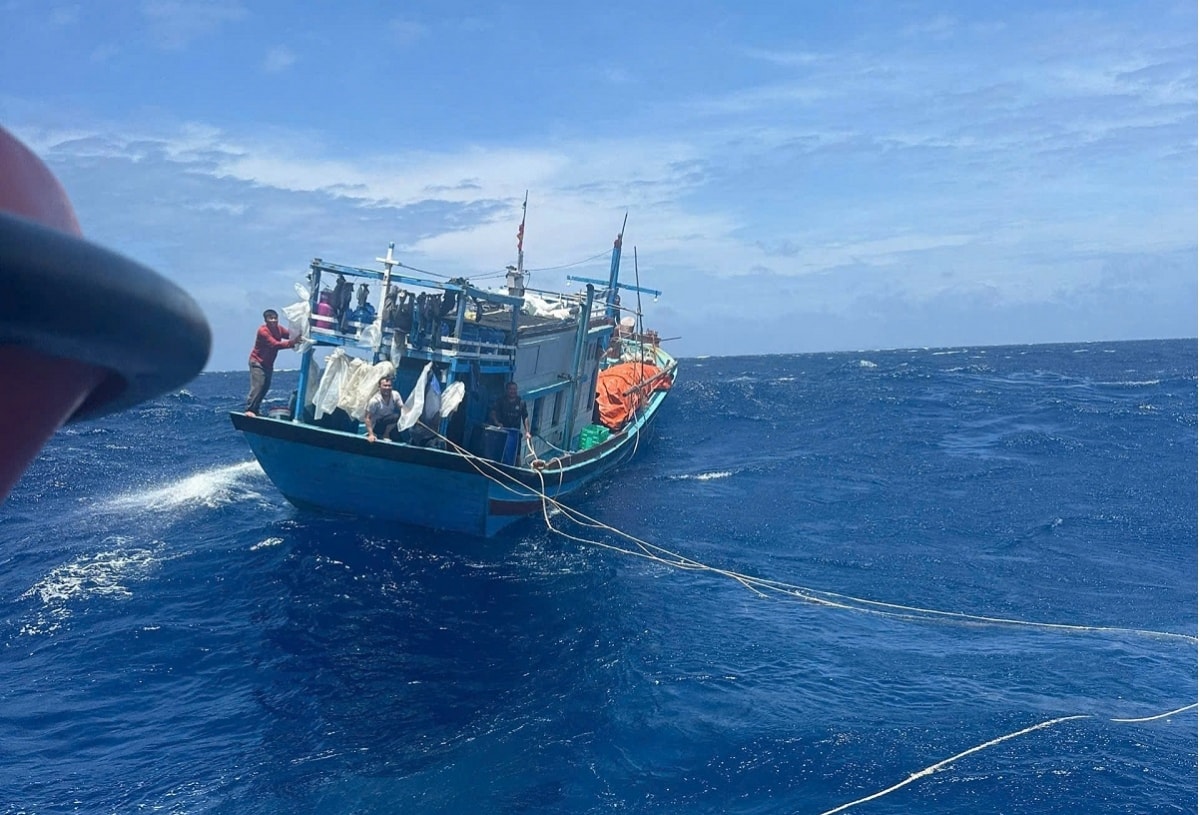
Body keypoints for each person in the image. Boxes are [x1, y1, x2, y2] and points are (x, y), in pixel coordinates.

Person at [245, 309, 295, 416]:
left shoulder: (279, 329)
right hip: (257, 362)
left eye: (275, 318)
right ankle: (250, 409)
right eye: (270, 318)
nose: (273, 320)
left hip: (268, 364)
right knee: (259, 385)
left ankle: (256, 409)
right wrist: (292, 343)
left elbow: (289, 335)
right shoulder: (263, 331)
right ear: (266, 320)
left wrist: (299, 334)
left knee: (265, 387)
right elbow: (275, 344)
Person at [489, 381, 529, 464]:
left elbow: (525, 417)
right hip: (502, 432)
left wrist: (527, 432)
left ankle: (517, 471)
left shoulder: (521, 403)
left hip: (515, 434)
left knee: (517, 455)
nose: (512, 391)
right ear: (506, 390)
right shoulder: (501, 401)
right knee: (500, 453)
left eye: (514, 389)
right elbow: (493, 412)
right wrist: (497, 423)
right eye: (510, 389)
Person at [364, 377, 403, 442]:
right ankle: (385, 435)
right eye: (385, 386)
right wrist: (371, 434)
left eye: (389, 386)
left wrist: (413, 417)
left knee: (403, 416)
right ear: (379, 387)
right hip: (377, 426)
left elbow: (402, 408)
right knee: (396, 416)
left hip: (389, 424)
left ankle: (388, 433)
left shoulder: (395, 395)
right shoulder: (375, 401)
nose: (387, 388)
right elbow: (367, 418)